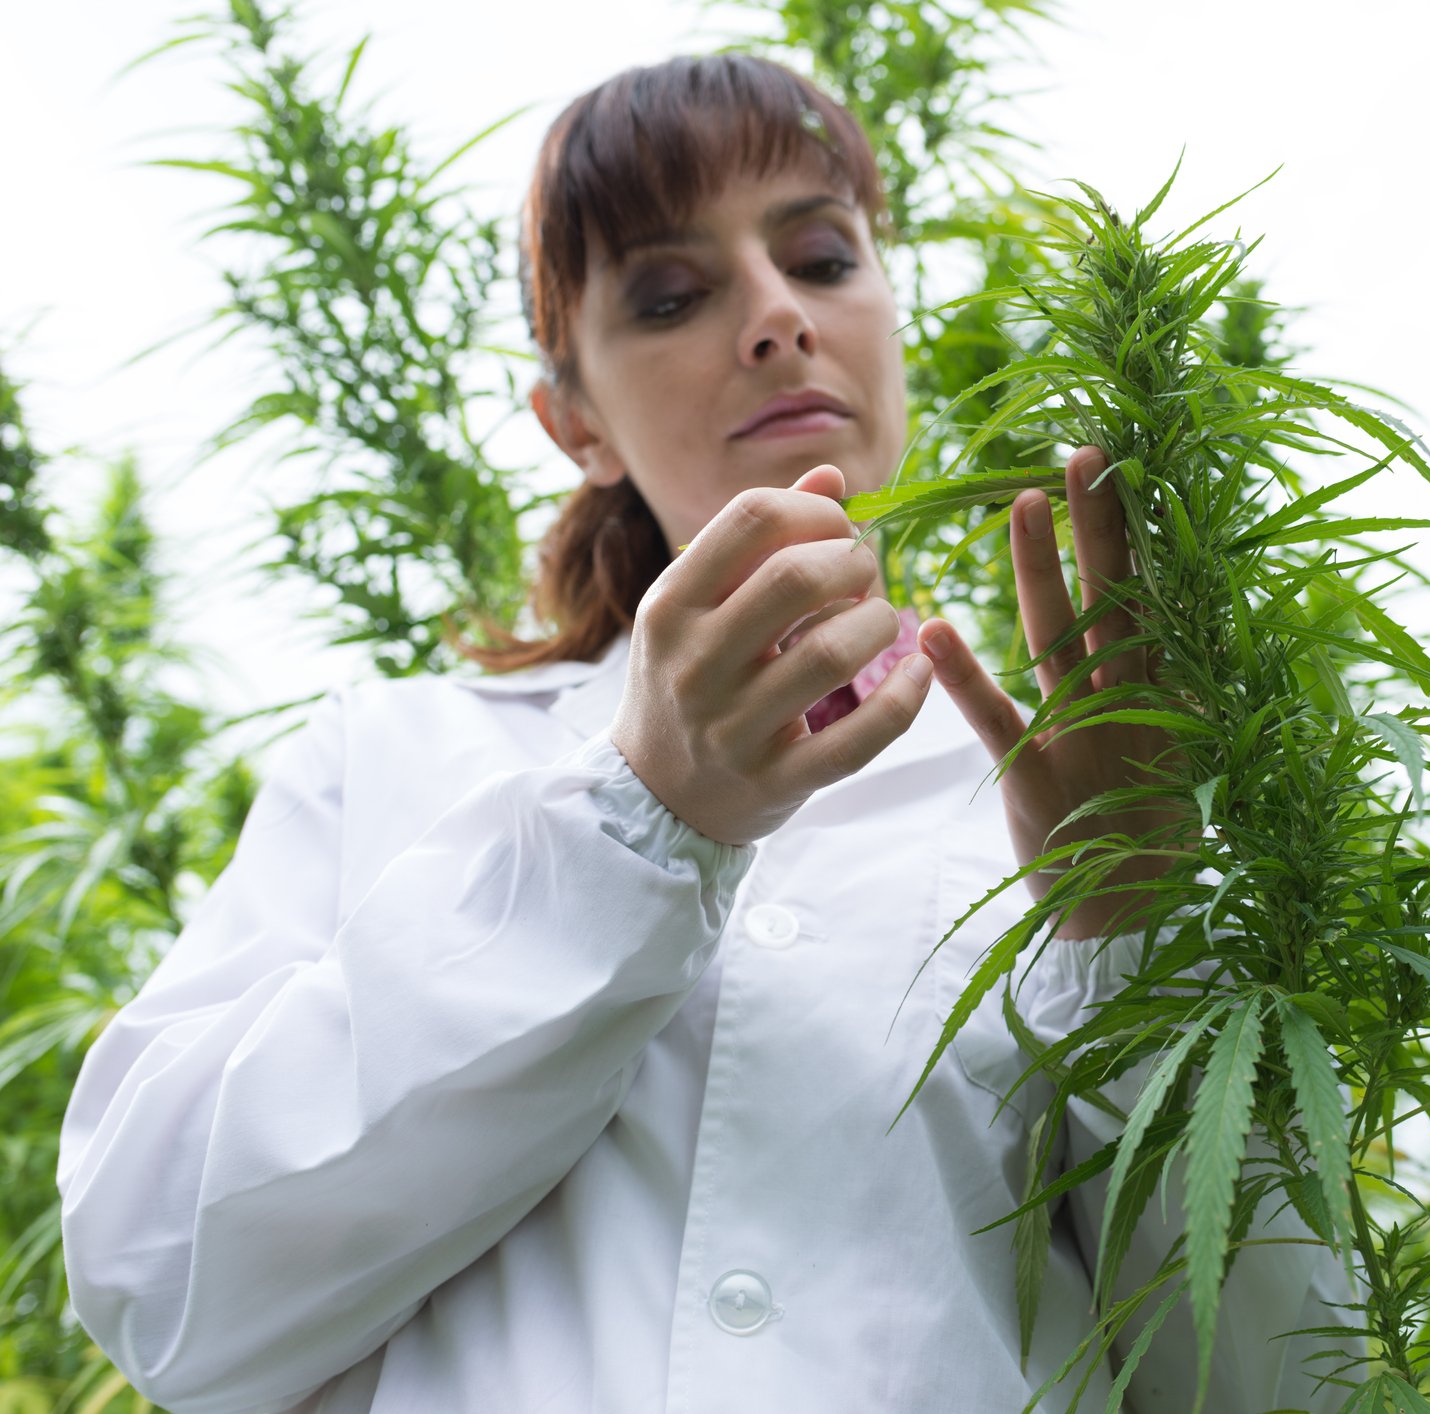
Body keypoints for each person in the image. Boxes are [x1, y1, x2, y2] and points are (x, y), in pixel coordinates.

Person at [55, 52, 1363, 1413]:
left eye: (825, 257)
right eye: (671, 294)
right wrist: (640, 821)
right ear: (575, 423)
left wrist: (1133, 928)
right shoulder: (397, 757)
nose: (776, 316)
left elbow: (1280, 1382)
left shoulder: (1072, 794)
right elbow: (160, 1272)